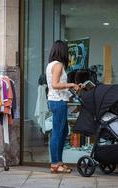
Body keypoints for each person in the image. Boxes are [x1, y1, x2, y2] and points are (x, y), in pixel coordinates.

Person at [46, 40, 82, 173]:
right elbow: (55, 84)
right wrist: (71, 84)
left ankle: (59, 162)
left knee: (63, 132)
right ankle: (55, 164)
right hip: (58, 102)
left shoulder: (51, 64)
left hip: (58, 100)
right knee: (57, 132)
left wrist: (73, 89)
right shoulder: (58, 65)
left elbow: (56, 86)